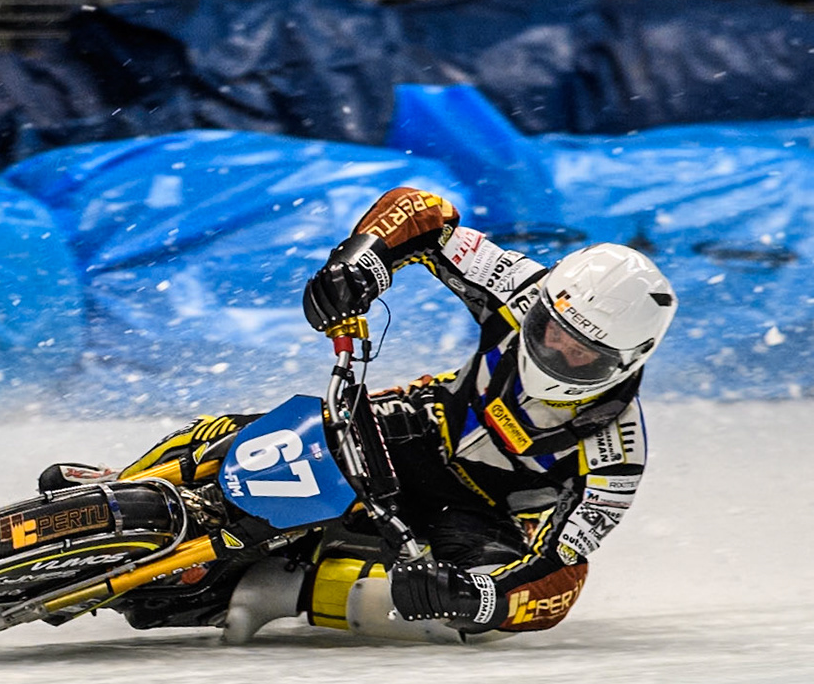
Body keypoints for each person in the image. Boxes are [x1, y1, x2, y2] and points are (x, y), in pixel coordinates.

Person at [60, 187, 676, 643]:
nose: (556, 353)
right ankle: (133, 485)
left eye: (583, 354)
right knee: (268, 437)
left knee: (462, 620)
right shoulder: (520, 287)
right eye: (551, 331)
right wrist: (360, 261)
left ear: (627, 362)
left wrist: (482, 599)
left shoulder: (619, 454)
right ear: (543, 303)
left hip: (477, 516)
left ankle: (291, 587)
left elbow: (561, 574)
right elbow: (426, 213)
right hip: (424, 427)